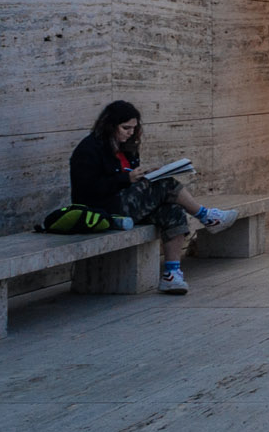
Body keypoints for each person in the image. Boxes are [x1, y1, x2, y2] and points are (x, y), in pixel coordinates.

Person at [70, 100, 234, 295]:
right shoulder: (89, 149)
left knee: (172, 210)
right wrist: (126, 179)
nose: (130, 133)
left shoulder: (127, 147)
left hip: (128, 203)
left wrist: (145, 175)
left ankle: (172, 275)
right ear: (110, 125)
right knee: (165, 183)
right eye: (125, 128)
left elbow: (130, 180)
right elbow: (86, 189)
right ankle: (206, 216)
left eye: (134, 128)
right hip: (104, 210)